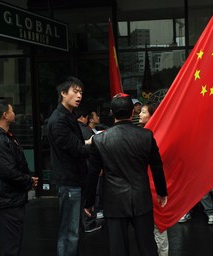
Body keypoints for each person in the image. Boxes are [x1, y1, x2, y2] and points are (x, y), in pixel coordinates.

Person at [84, 93, 167, 256]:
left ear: (112, 113)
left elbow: (93, 173)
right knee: (147, 246)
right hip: (141, 198)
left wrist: (89, 202)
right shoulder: (146, 136)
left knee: (118, 248)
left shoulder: (100, 140)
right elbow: (157, 166)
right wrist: (162, 192)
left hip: (114, 201)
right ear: (132, 113)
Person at [0, 99, 38, 256]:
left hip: (9, 199)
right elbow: (8, 171)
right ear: (5, 115)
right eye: (12, 111)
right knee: (7, 247)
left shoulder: (4, 136)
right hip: (4, 202)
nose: (15, 114)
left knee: (11, 244)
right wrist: (28, 181)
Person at [47, 77, 91, 256]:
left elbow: (76, 145)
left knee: (73, 229)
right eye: (75, 91)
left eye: (81, 92)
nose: (79, 95)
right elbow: (77, 149)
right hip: (69, 180)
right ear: (63, 93)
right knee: (69, 231)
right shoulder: (59, 120)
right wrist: (95, 144)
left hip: (74, 178)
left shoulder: (68, 116)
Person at [139, 101, 169, 256]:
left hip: (153, 185)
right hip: (145, 185)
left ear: (152, 115)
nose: (139, 114)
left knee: (158, 225)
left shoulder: (155, 134)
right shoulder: (144, 133)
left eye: (143, 112)